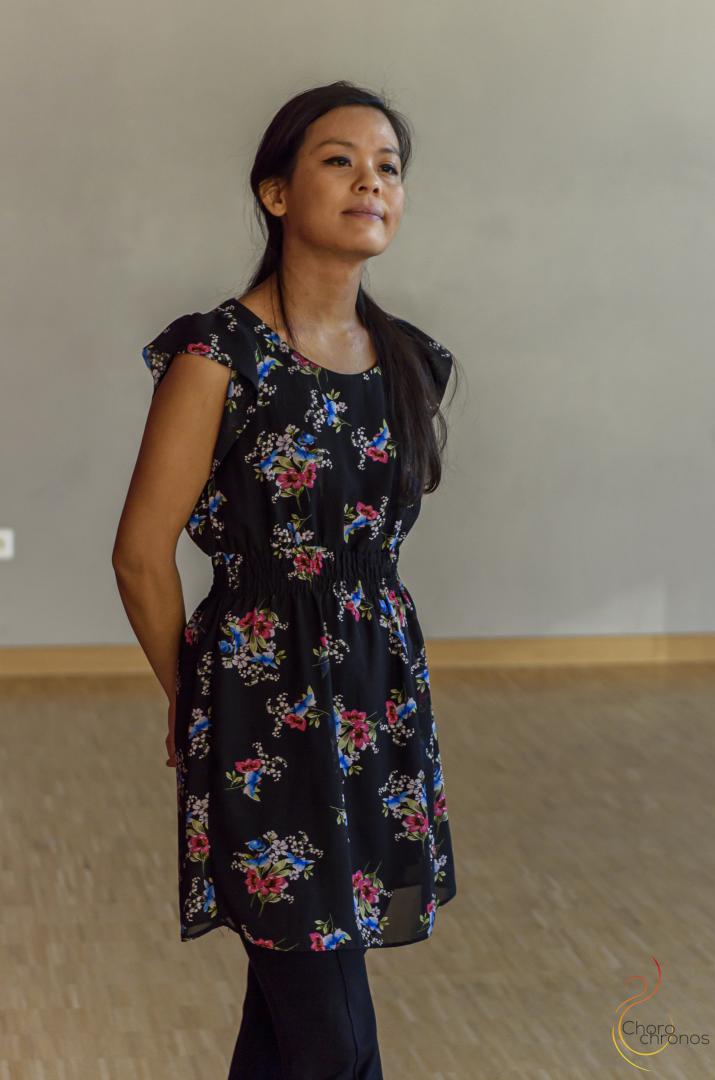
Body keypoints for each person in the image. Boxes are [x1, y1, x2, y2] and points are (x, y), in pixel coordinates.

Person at [113, 79, 459, 1080]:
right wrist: (193, 698)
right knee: (335, 1040)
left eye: (388, 167)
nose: (371, 183)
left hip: (377, 704)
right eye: (339, 161)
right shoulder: (219, 355)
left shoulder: (410, 360)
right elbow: (140, 553)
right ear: (275, 193)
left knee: (288, 1030)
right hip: (261, 714)